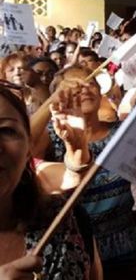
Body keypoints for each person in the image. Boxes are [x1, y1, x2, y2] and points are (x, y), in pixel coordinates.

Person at [36, 67, 136, 264]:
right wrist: (52, 102)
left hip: (123, 243)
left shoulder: (123, 132)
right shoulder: (55, 135)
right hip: (76, 248)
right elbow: (25, 149)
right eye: (74, 86)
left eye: (91, 84)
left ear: (101, 92)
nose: (85, 89)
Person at [0, 86, 101, 280]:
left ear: (29, 146)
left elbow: (73, 176)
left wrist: (78, 147)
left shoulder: (62, 220)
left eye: (6, 130)